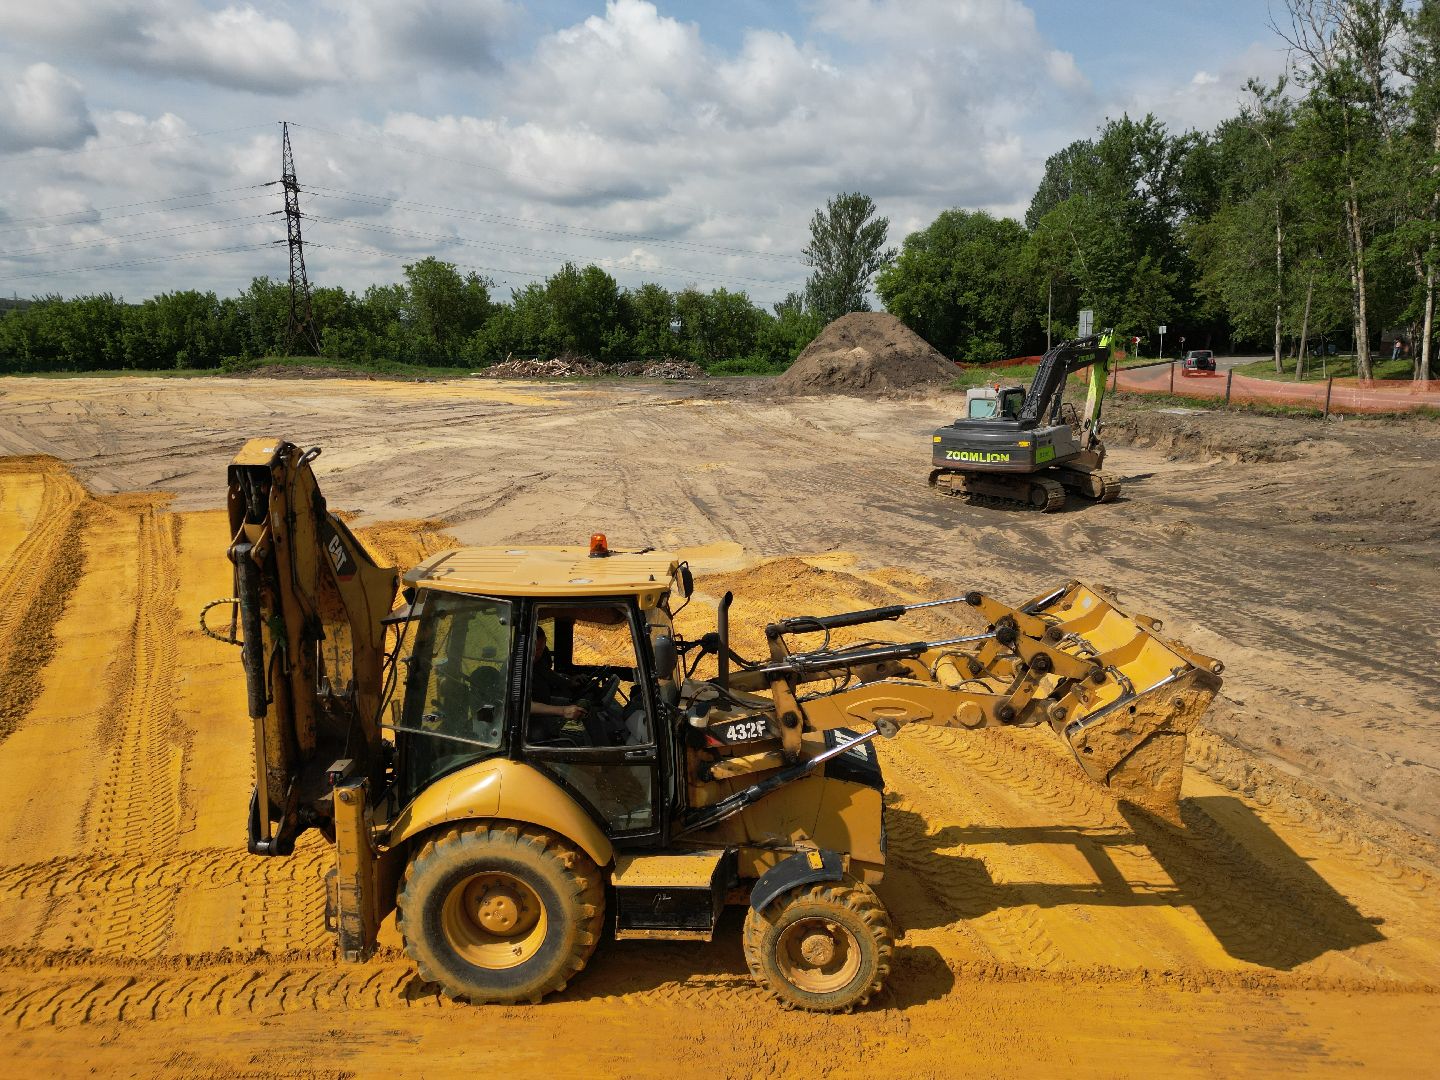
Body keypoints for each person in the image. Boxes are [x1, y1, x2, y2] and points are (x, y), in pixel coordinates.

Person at [529, 626, 607, 745]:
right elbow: (526, 706)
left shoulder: (538, 661)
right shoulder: (517, 667)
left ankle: (602, 747)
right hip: (532, 717)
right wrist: (563, 711)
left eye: (540, 649)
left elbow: (550, 675)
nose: (537, 654)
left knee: (585, 707)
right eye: (534, 649)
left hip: (545, 700)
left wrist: (570, 680)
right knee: (571, 732)